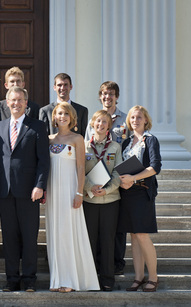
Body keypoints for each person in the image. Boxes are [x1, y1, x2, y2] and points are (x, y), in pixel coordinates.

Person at [0, 86, 49, 292]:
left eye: (20, 100)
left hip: (29, 191)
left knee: (30, 237)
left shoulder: (37, 127)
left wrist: (40, 185)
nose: (16, 104)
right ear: (7, 103)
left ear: (26, 103)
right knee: (9, 238)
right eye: (12, 100)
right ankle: (12, 279)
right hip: (5, 191)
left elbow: (43, 160)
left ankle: (29, 279)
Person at [45, 102, 99, 293]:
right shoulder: (49, 139)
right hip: (52, 191)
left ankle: (69, 280)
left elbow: (81, 168)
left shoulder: (77, 138)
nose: (62, 117)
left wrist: (79, 192)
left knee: (67, 232)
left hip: (70, 191)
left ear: (72, 118)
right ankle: (56, 279)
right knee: (54, 232)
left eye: (66, 114)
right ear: (54, 117)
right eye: (59, 113)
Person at [84, 81, 129, 276]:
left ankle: (116, 263)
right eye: (103, 94)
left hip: (118, 175)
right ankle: (97, 267)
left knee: (117, 228)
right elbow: (87, 149)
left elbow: (127, 150)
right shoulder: (93, 120)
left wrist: (118, 181)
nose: (107, 97)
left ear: (116, 96)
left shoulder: (126, 119)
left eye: (111, 94)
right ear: (100, 96)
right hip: (93, 180)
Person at [118, 105, 161, 292]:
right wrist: (122, 182)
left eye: (139, 117)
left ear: (145, 120)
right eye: (132, 117)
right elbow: (119, 167)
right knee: (134, 237)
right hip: (127, 193)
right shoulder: (125, 143)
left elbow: (155, 167)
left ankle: (153, 277)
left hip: (143, 192)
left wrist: (133, 178)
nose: (135, 120)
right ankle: (138, 277)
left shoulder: (150, 140)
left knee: (142, 235)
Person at [83, 110, 123, 291]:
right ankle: (90, 279)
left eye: (104, 122)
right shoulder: (83, 146)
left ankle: (107, 279)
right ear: (92, 123)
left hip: (110, 200)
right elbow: (78, 172)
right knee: (89, 240)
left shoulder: (115, 147)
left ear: (109, 126)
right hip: (89, 200)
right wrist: (89, 187)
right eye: (98, 121)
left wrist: (106, 190)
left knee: (108, 240)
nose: (100, 125)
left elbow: (118, 172)